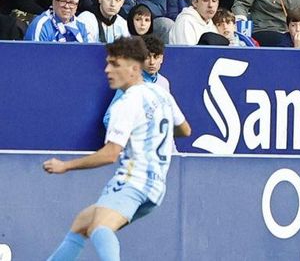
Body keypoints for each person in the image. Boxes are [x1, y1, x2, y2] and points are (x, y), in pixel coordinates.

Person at [41, 37, 190, 261]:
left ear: (133, 68)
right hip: (155, 186)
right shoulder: (161, 94)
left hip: (132, 182)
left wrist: (65, 166)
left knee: (100, 227)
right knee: (82, 223)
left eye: (114, 64)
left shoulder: (126, 103)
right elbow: (185, 130)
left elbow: (110, 154)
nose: (107, 70)